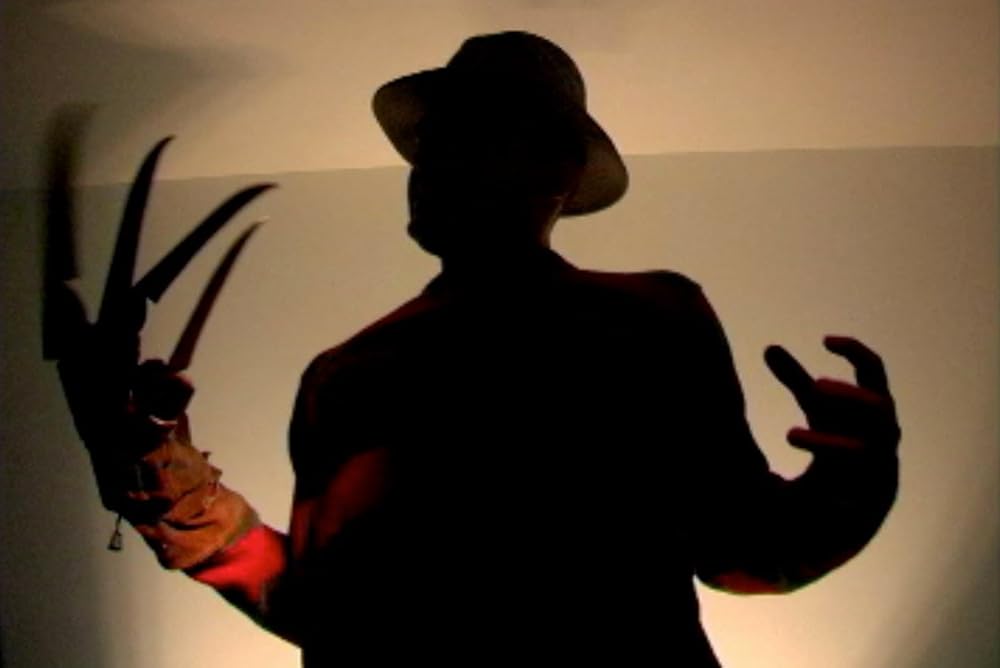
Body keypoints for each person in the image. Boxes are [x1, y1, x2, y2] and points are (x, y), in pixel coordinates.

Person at [76, 32, 900, 667]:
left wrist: (850, 476)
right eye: (431, 140)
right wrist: (177, 493)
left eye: (476, 136)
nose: (432, 163)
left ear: (559, 171)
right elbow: (330, 612)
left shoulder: (645, 318)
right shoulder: (341, 374)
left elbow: (743, 547)